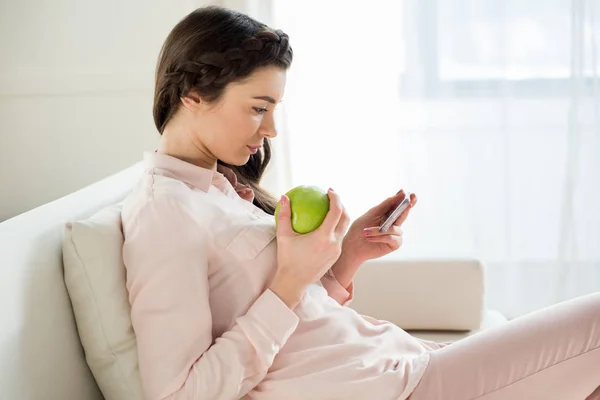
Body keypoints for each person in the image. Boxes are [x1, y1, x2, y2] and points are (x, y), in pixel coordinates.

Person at [121, 6, 600, 400]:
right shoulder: (164, 214)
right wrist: (290, 278)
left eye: (273, 109)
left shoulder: (219, 190)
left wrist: (343, 260)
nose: (269, 130)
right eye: (257, 107)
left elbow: (293, 329)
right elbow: (181, 393)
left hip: (406, 364)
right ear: (193, 94)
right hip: (400, 389)